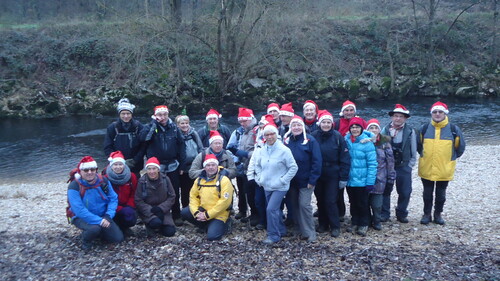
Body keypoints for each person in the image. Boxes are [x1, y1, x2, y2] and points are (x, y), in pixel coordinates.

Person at [417, 101, 466, 225]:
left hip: (444, 167)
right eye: (435, 112)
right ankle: (426, 214)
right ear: (431, 114)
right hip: (427, 166)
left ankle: (438, 214)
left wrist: (450, 159)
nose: (437, 114)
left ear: (445, 114)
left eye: (440, 112)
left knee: (441, 194)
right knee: (427, 193)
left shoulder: (454, 129)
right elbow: (419, 146)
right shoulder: (424, 128)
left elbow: (460, 148)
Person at [140, 105, 186, 226]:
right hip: (155, 165)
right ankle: (151, 214)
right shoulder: (150, 126)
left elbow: (181, 146)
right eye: (160, 115)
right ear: (155, 116)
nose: (163, 117)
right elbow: (143, 138)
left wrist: (182, 165)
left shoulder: (174, 128)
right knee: (154, 190)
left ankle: (176, 215)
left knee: (174, 190)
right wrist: (153, 124)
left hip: (172, 164)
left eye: (165, 114)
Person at [254, 121, 298, 244]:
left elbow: (293, 167)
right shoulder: (262, 150)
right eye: (266, 135)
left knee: (271, 209)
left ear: (276, 134)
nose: (269, 137)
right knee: (275, 210)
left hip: (280, 186)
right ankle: (281, 229)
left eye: (272, 134)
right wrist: (259, 178)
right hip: (266, 185)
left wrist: (283, 180)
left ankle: (273, 235)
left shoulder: (284, 150)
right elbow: (257, 165)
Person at [67, 156, 124, 250]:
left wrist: (108, 215)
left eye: (92, 169)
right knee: (94, 228)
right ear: (80, 171)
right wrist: (100, 221)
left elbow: (113, 199)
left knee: (118, 239)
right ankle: (86, 240)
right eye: (86, 170)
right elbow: (79, 210)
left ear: (96, 170)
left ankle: (100, 232)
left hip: (103, 215)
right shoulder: (74, 186)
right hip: (81, 217)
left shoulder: (103, 181)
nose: (89, 172)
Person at [311, 110, 350, 238]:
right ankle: (322, 224)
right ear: (319, 123)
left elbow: (344, 158)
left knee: (331, 200)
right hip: (318, 173)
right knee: (320, 200)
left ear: (332, 124)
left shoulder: (338, 137)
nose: (326, 125)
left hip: (333, 172)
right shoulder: (313, 136)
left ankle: (335, 226)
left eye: (328, 122)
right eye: (324, 122)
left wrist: (343, 177)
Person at [284, 115, 322, 243]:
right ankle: (298, 228)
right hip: (291, 180)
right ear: (290, 127)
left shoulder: (310, 141)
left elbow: (317, 161)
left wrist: (313, 180)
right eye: (294, 125)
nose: (296, 127)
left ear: (303, 127)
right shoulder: (286, 140)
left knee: (304, 205)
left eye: (299, 125)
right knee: (293, 205)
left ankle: (310, 232)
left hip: (306, 180)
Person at [181, 154, 234, 241]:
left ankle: (225, 224)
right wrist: (197, 213)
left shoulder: (224, 180)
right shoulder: (199, 180)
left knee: (213, 237)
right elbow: (193, 197)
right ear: (204, 168)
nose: (211, 167)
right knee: (185, 212)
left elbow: (224, 202)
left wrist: (208, 215)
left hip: (219, 214)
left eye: (213, 165)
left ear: (217, 166)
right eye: (208, 165)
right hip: (203, 211)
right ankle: (207, 225)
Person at [380, 104, 417, 223]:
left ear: (405, 118)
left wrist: (410, 164)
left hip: (403, 166)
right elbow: (380, 148)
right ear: (392, 117)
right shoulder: (385, 130)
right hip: (387, 166)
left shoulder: (410, 131)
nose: (398, 119)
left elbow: (413, 149)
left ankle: (401, 213)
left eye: (401, 116)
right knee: (385, 190)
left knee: (405, 191)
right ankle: (384, 213)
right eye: (396, 116)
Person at [344, 117, 377, 236]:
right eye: (352, 127)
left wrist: (370, 181)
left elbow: (373, 164)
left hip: (362, 180)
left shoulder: (367, 143)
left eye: (357, 127)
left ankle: (364, 223)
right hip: (350, 179)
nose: (355, 129)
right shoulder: (346, 140)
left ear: (361, 128)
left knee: (363, 202)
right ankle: (355, 221)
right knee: (353, 202)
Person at [227, 108, 258, 225]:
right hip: (243, 166)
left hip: (253, 167)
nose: (242, 124)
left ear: (251, 119)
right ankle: (249, 213)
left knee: (253, 193)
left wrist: (245, 154)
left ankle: (256, 214)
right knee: (245, 191)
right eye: (241, 121)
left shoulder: (256, 131)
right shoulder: (243, 131)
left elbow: (258, 150)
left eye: (245, 121)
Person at [366, 119, 396, 231]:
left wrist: (391, 176)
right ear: (367, 130)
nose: (374, 130)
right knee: (365, 201)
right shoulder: (364, 141)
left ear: (379, 129)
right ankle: (367, 219)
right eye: (371, 128)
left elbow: (390, 161)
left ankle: (377, 220)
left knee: (377, 203)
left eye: (376, 128)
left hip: (380, 177)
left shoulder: (385, 143)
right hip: (366, 176)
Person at [135, 157, 176, 237]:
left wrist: (161, 208)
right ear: (146, 170)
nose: (152, 171)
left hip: (163, 210)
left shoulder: (165, 179)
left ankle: (160, 227)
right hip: (148, 210)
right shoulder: (142, 181)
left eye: (154, 169)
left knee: (170, 232)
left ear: (158, 169)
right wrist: (150, 210)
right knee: (155, 223)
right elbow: (138, 200)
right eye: (149, 169)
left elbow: (172, 196)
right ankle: (150, 226)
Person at [103, 98, 145, 176]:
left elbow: (143, 146)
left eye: (128, 113)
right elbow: (107, 147)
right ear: (119, 114)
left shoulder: (138, 127)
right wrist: (117, 160)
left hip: (135, 165)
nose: (126, 116)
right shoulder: (112, 128)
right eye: (123, 113)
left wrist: (134, 160)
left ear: (132, 114)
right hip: (117, 166)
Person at [104, 151, 138, 236]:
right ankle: (115, 227)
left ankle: (124, 227)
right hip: (111, 207)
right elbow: (104, 197)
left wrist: (130, 206)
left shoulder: (131, 176)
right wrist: (119, 209)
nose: (118, 167)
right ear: (111, 166)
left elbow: (134, 193)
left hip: (126, 205)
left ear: (124, 165)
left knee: (131, 217)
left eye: (120, 164)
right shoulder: (105, 178)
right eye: (115, 165)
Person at [175, 114, 204, 214]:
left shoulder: (193, 133)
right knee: (184, 189)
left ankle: (197, 209)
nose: (184, 125)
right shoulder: (176, 135)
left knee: (196, 188)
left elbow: (200, 147)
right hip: (183, 167)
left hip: (195, 165)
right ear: (178, 125)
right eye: (182, 123)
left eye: (186, 123)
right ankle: (185, 209)